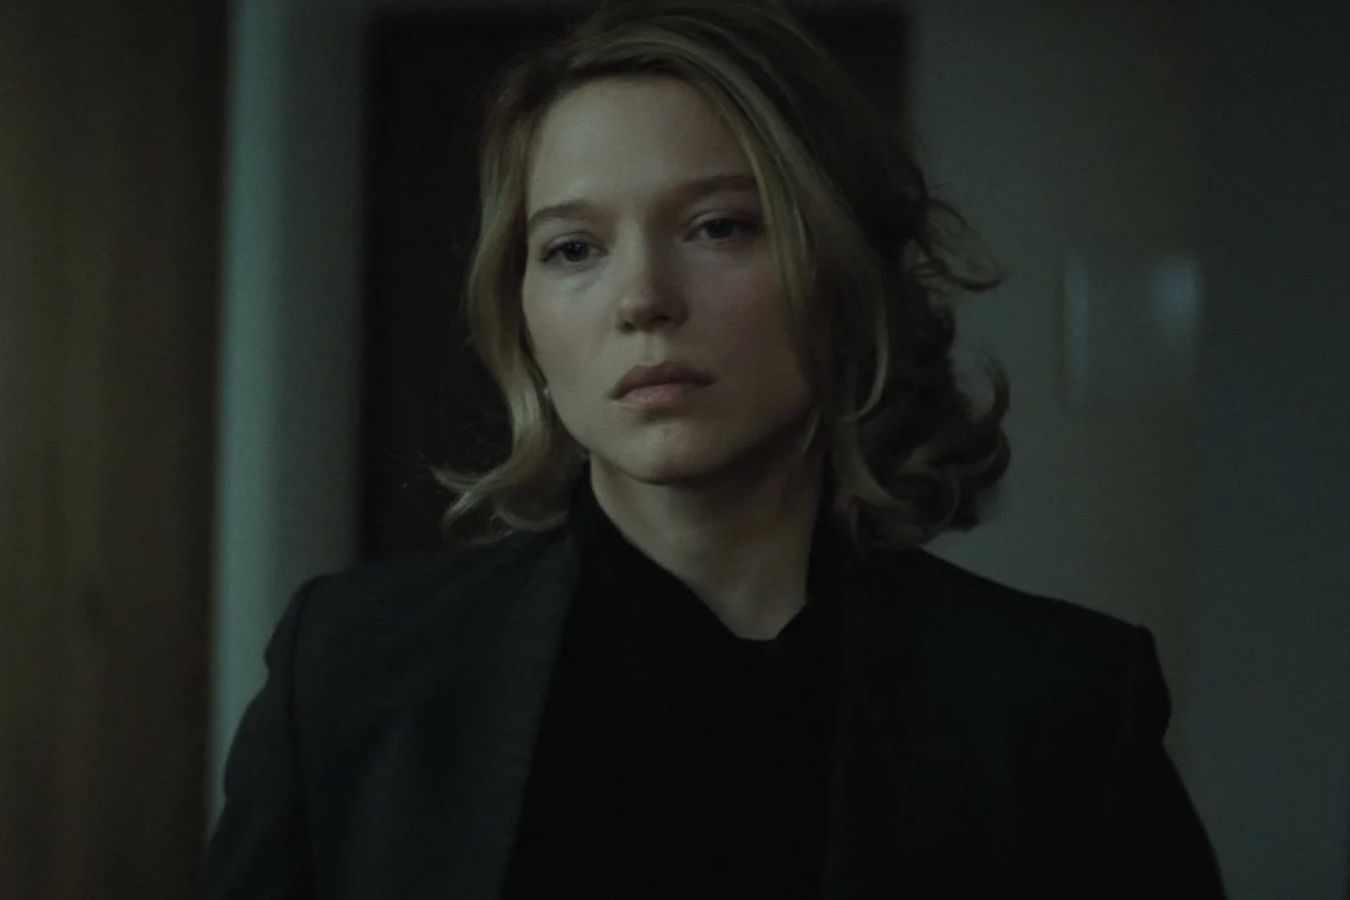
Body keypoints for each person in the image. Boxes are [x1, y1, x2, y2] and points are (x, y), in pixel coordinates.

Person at [207, 1, 1227, 897]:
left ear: (839, 274)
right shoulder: (349, 670)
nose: (643, 299)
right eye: (574, 248)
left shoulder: (1059, 704)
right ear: (523, 322)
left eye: (718, 227)